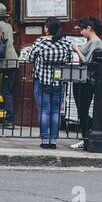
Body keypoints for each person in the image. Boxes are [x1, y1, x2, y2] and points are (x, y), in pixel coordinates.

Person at [28, 17, 75, 149]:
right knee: (55, 112)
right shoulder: (65, 43)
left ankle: (44, 139)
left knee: (44, 111)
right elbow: (69, 59)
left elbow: (30, 58)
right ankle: (53, 140)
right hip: (58, 82)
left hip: (42, 80)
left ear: (47, 28)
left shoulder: (40, 42)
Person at [69, 16, 102, 149]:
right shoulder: (91, 41)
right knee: (81, 111)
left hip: (88, 81)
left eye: (82, 29)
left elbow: (87, 61)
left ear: (89, 28)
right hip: (82, 80)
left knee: (82, 111)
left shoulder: (96, 42)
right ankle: (88, 135)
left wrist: (77, 49)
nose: (80, 32)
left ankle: (87, 136)